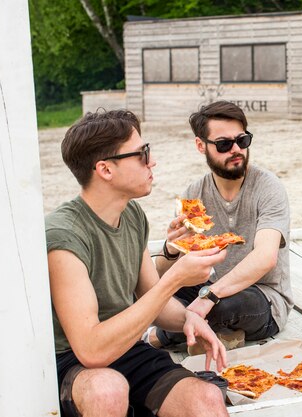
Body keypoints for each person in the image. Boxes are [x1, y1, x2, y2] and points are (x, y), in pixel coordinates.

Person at [45, 109, 230, 417]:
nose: (152, 161)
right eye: (142, 153)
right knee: (108, 390)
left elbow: (151, 296)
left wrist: (189, 319)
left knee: (207, 399)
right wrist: (175, 279)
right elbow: (91, 349)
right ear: (105, 170)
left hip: (126, 348)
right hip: (72, 360)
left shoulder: (132, 215)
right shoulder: (63, 236)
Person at [148, 100, 292, 352]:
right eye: (224, 144)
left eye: (243, 141)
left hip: (262, 297)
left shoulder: (268, 187)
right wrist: (171, 248)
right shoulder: (193, 194)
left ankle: (157, 338)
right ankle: (219, 334)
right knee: (153, 295)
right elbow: (165, 274)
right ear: (201, 145)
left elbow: (265, 258)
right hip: (210, 287)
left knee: (223, 306)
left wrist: (210, 297)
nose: (236, 149)